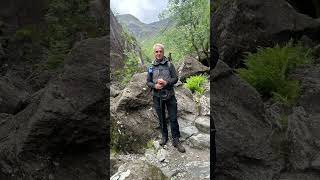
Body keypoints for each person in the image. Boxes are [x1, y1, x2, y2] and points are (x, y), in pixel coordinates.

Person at [146, 43, 185, 153]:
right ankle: (164, 137)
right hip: (157, 97)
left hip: (170, 95)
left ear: (163, 52)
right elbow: (148, 81)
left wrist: (166, 82)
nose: (158, 53)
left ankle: (176, 140)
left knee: (173, 118)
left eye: (160, 51)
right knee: (161, 118)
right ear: (154, 53)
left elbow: (175, 79)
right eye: (156, 51)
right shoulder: (150, 67)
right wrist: (155, 86)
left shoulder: (169, 65)